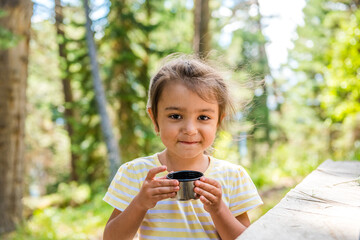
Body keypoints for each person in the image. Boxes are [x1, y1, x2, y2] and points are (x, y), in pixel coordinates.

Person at [103, 54, 263, 240]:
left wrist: (219, 210)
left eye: (203, 117)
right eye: (175, 116)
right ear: (154, 119)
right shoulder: (135, 173)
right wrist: (140, 203)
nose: (189, 130)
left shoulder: (233, 177)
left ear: (218, 122)